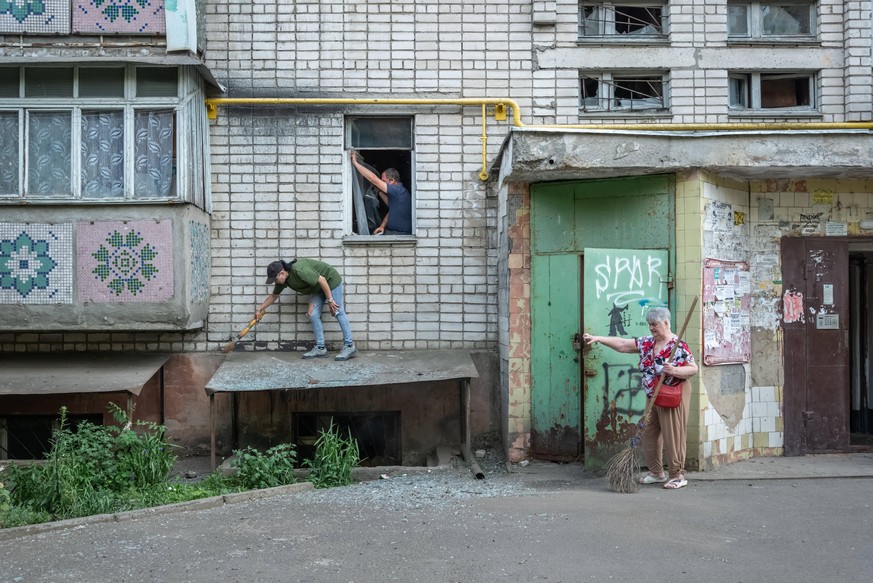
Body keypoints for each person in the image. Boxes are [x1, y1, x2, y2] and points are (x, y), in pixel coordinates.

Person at [583, 306, 698, 490]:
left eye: (655, 324)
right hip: (653, 394)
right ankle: (656, 472)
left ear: (666, 323)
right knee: (649, 432)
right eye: (649, 324)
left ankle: (678, 475)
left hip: (673, 394)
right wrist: (598, 339)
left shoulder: (678, 345)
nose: (651, 328)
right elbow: (622, 344)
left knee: (672, 434)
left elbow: (693, 368)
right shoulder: (647, 343)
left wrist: (674, 370)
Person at [256, 259, 357, 361]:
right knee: (313, 314)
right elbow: (274, 296)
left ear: (281, 273)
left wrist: (330, 300)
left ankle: (349, 346)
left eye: (275, 279)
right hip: (318, 288)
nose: (275, 282)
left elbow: (322, 280)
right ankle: (320, 348)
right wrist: (259, 309)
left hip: (330, 280)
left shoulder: (299, 270)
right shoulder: (282, 280)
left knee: (338, 311)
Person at [350, 150, 412, 235]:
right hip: (394, 232)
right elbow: (392, 209)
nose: (381, 183)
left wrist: (355, 163)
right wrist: (382, 226)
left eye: (383, 181)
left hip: (401, 234)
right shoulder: (399, 192)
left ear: (392, 181)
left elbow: (374, 179)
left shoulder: (398, 190)